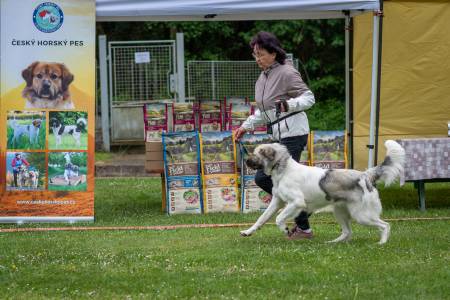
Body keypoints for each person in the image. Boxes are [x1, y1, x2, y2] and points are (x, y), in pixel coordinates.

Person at [235, 31, 315, 240]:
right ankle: (302, 210)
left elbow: (309, 98)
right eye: (255, 55)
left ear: (273, 52)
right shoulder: (262, 78)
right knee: (272, 180)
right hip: (279, 136)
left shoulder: (287, 72)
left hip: (294, 133)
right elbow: (265, 111)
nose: (257, 59)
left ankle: (304, 225)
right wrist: (246, 126)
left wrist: (289, 104)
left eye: (261, 54)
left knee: (265, 177)